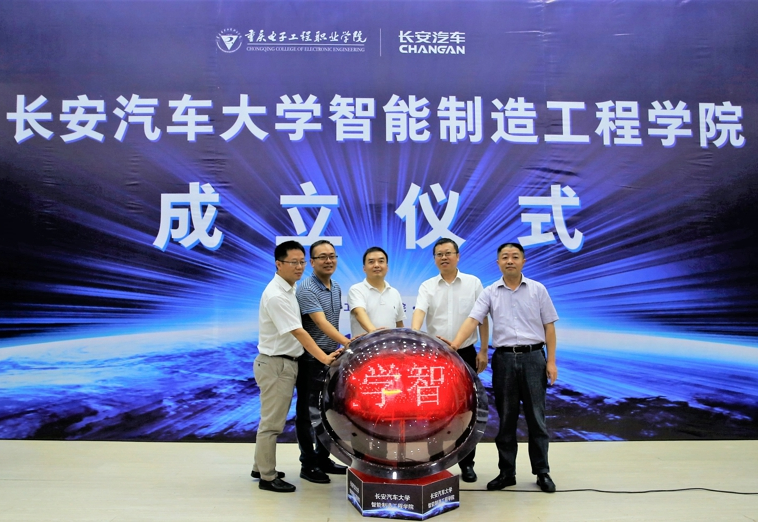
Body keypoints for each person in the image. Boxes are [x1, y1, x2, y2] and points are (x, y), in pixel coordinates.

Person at [448, 242, 558, 493]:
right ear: (498, 263)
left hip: (533, 358)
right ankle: (507, 473)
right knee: (506, 419)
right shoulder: (490, 292)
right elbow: (473, 320)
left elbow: (549, 327)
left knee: (537, 419)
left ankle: (542, 472)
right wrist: (455, 345)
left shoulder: (538, 289)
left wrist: (551, 361)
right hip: (504, 360)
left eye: (515, 257)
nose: (510, 261)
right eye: (505, 257)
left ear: (523, 261)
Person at [252, 240, 342, 493]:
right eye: (294, 262)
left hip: (286, 362)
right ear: (278, 264)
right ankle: (267, 477)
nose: (299, 267)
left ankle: (260, 467)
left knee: (271, 421)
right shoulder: (277, 295)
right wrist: (324, 358)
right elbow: (299, 332)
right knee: (272, 424)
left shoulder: (290, 289)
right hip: (276, 363)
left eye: (301, 262)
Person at [411, 238, 489, 483]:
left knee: (467, 410)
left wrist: (483, 350)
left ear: (457, 256)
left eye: (448, 253)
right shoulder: (427, 286)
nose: (444, 257)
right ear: (434, 259)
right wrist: (414, 337)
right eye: (439, 254)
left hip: (465, 353)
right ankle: (434, 462)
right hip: (436, 357)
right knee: (433, 411)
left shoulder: (473, 283)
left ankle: (467, 463)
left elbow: (482, 318)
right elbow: (419, 312)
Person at [294, 240, 351, 484]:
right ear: (312, 262)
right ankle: (308, 464)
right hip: (310, 359)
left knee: (327, 412)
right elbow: (320, 322)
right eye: (322, 257)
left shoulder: (335, 286)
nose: (329, 261)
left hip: (330, 358)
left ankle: (323, 458)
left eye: (332, 256)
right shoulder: (306, 288)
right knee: (307, 414)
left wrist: (339, 348)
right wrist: (346, 342)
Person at [347, 246, 405, 336]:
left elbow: (399, 324)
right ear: (364, 268)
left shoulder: (394, 292)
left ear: (387, 267)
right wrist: (375, 333)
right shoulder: (356, 290)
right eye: (371, 262)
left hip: (390, 344)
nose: (376, 265)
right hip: (365, 344)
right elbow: (359, 313)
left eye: (381, 261)